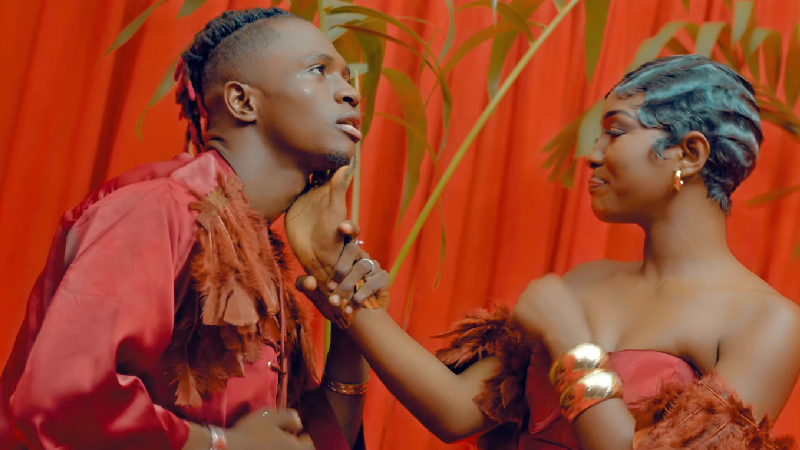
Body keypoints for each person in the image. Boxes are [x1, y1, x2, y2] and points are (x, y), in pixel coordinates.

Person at [290, 55, 800, 449]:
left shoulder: (768, 322)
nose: (592, 155)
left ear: (689, 153)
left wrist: (569, 339)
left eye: (616, 131)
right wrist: (339, 277)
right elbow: (453, 412)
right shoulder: (585, 282)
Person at [0, 7, 378, 450]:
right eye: (318, 71)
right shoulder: (157, 209)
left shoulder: (261, 255)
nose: (350, 93)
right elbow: (62, 401)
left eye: (347, 77)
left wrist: (353, 327)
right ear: (242, 102)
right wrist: (222, 444)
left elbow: (311, 444)